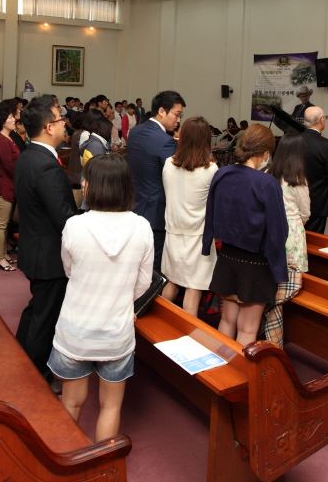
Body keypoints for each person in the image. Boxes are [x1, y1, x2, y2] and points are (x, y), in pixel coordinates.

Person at [50, 154, 153, 441]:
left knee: (71, 402)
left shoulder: (75, 225)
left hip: (76, 330)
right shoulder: (142, 227)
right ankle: (104, 464)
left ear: (90, 186)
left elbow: (69, 271)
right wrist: (120, 297)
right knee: (111, 406)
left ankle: (65, 459)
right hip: (116, 332)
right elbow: (143, 283)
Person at [202, 124, 287, 346]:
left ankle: (221, 366)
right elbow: (278, 231)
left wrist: (206, 243)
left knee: (226, 321)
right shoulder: (267, 183)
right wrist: (279, 269)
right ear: (265, 152)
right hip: (256, 263)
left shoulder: (222, 174)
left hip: (227, 257)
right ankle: (239, 370)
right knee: (247, 330)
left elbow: (210, 212)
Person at [14, 96, 77, 380]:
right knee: (46, 318)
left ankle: (21, 355)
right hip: (49, 255)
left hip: (35, 247)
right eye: (60, 119)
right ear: (49, 127)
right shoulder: (45, 165)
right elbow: (63, 217)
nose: (65, 124)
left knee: (37, 309)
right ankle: (35, 377)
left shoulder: (29, 156)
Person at [159, 117, 218, 317]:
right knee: (193, 290)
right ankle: (187, 334)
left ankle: (159, 324)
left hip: (173, 233)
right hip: (198, 237)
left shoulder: (168, 164)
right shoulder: (210, 169)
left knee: (171, 283)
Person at [261, 133, 311, 345]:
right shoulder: (297, 180)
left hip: (270, 230)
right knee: (285, 286)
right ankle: (274, 338)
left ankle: (269, 331)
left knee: (272, 282)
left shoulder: (268, 173)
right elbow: (305, 212)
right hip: (291, 233)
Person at [127, 90, 185, 270]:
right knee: (153, 269)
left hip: (135, 205)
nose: (178, 120)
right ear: (161, 111)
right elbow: (175, 177)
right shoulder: (165, 141)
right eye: (177, 114)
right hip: (156, 211)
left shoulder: (135, 132)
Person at [0, 100, 21, 272]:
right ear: (3, 120)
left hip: (9, 185)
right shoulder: (2, 140)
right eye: (10, 117)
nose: (13, 119)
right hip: (3, 187)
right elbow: (10, 166)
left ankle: (3, 254)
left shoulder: (8, 137)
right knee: (1, 224)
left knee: (5, 223)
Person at [300, 106, 328, 234]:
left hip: (295, 197)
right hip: (318, 199)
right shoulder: (327, 145)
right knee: (315, 238)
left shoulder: (294, 140)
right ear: (321, 120)